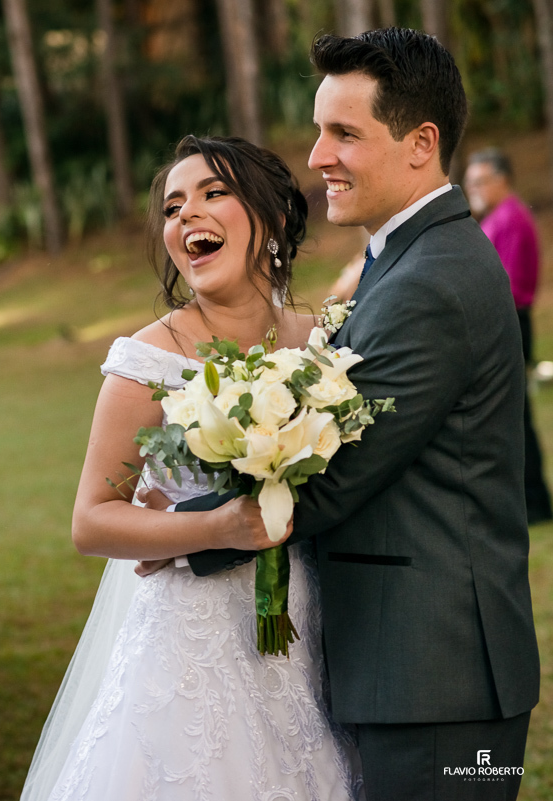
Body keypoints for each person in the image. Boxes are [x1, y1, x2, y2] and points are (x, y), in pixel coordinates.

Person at [177, 29, 540, 800]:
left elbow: (336, 478)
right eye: (319, 129)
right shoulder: (404, 257)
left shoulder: (429, 283)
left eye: (344, 132)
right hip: (421, 677)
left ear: (421, 144)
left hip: (437, 690)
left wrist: (183, 532)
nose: (317, 156)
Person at [19, 135, 362, 801]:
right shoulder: (147, 360)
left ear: (276, 222)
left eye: (212, 193)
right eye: (173, 207)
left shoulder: (324, 344)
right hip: (189, 650)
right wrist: (214, 528)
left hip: (305, 631)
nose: (185, 216)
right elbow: (92, 520)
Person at [465, 148, 553, 524]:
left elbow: (510, 286)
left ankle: (534, 503)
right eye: (470, 183)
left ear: (503, 180)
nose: (475, 189)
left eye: (481, 181)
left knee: (516, 415)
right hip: (503, 320)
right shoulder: (496, 219)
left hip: (511, 322)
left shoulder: (511, 218)